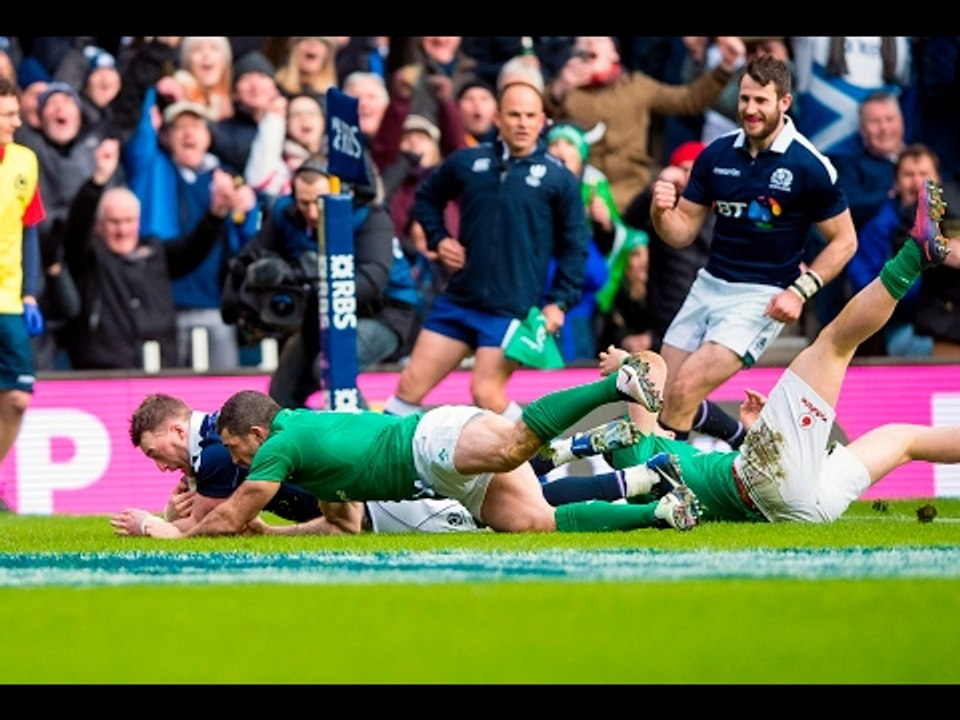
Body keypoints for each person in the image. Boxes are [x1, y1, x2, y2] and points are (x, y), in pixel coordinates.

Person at [538, 184, 956, 523]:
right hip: (764, 484)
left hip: (803, 505)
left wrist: (752, 434)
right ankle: (912, 257)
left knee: (904, 440)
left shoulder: (655, 462)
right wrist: (623, 370)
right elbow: (653, 369)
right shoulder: (640, 450)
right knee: (833, 345)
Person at [114, 353, 703, 538]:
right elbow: (343, 528)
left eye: (239, 451)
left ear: (256, 436)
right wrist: (272, 535)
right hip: (434, 481)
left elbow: (234, 512)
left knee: (513, 446)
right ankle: (658, 510)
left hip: (429, 440)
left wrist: (171, 533)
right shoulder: (301, 458)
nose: (236, 462)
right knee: (535, 524)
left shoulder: (278, 447)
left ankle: (614, 383)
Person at [649, 55, 858, 450]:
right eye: (745, 99)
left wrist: (800, 290)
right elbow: (680, 233)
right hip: (708, 285)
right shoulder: (717, 155)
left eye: (761, 101)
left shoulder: (810, 166)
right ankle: (742, 439)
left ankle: (661, 497)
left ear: (784, 102)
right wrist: (661, 212)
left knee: (686, 388)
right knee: (663, 394)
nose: (750, 109)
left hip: (760, 298)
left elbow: (845, 240)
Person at [383, 81, 589, 421]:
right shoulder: (467, 162)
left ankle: (543, 460)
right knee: (409, 387)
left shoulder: (559, 178)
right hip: (459, 300)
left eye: (529, 115)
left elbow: (574, 246)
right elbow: (426, 198)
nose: (522, 122)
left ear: (542, 121)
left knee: (486, 394)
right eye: (514, 114)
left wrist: (559, 302)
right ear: (497, 118)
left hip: (512, 310)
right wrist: (439, 239)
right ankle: (375, 468)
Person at [112, 393, 479, 535]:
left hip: (381, 499)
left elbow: (207, 528)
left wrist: (150, 525)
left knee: (486, 517)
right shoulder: (217, 440)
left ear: (177, 430)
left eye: (154, 453)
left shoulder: (216, 453)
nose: (159, 467)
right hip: (359, 503)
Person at [221, 157, 417, 409]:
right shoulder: (284, 213)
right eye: (304, 203)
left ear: (339, 194)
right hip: (321, 313)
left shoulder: (370, 218)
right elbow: (248, 258)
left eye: (320, 203)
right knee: (281, 392)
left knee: (333, 368)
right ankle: (302, 445)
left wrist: (304, 275)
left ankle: (368, 442)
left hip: (383, 312)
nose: (312, 213)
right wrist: (248, 287)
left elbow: (371, 282)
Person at [60, 137, 235, 369]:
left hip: (160, 368)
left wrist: (216, 216)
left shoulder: (155, 251)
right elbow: (77, 226)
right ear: (99, 225)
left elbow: (192, 251)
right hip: (103, 372)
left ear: (138, 221)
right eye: (114, 222)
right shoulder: (89, 257)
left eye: (128, 221)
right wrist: (98, 181)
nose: (122, 230)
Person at [545, 35, 746, 216]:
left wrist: (725, 68)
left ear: (615, 54)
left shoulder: (637, 86)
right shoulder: (568, 92)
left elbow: (688, 100)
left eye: (598, 39)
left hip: (635, 196)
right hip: (585, 196)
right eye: (583, 41)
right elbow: (533, 119)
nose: (589, 42)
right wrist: (559, 88)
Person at [0, 78, 46, 512]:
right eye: (8, 114)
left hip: (8, 300)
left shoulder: (24, 161)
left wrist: (30, 292)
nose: (17, 120)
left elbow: (29, 228)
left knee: (17, 396)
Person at [622, 140, 711, 353]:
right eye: (683, 169)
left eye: (695, 170)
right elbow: (630, 219)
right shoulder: (663, 208)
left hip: (708, 300)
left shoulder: (719, 204)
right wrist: (658, 189)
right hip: (666, 303)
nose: (689, 176)